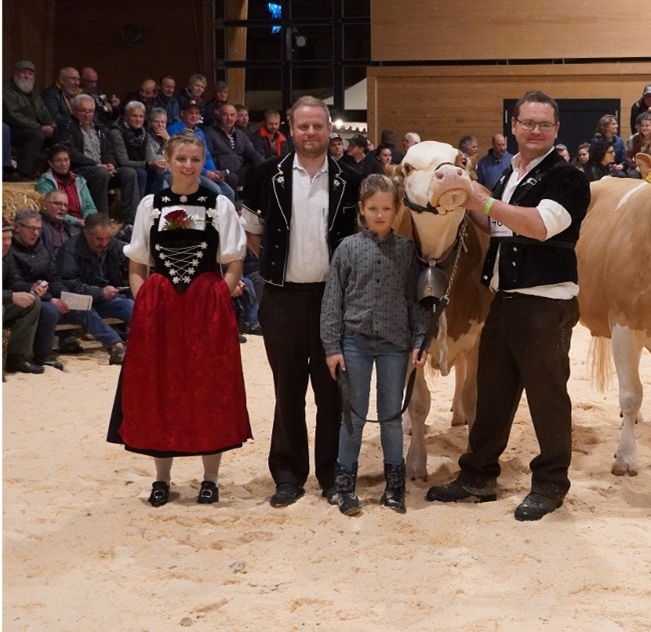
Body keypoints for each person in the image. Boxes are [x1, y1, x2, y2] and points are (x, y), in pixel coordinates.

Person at [426, 90, 591, 521]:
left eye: (544, 124)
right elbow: (496, 223)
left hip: (546, 303)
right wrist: (462, 201)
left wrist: (478, 198)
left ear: (556, 130)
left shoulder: (567, 177)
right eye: (527, 123)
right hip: (503, 298)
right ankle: (478, 475)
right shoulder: (509, 175)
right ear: (513, 126)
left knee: (547, 398)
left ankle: (551, 484)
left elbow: (539, 226)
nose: (535, 131)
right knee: (493, 394)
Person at [106, 132, 251, 507]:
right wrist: (145, 304)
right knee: (161, 389)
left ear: (203, 162)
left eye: (195, 159)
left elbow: (234, 260)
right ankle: (162, 479)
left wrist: (221, 294)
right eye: (182, 159)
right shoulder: (151, 204)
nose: (189, 165)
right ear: (167, 162)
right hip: (161, 309)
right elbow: (137, 262)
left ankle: (210, 479)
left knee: (209, 387)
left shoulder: (218, 203)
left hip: (205, 308)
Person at [241, 95, 362, 508]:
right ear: (290, 130)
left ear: (330, 130)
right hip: (283, 299)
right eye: (303, 127)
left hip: (335, 301)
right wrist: (280, 266)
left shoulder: (353, 179)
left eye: (318, 126)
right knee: (287, 389)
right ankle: (288, 476)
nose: (311, 133)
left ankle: (330, 475)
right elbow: (253, 232)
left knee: (332, 393)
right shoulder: (263, 175)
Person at [321, 174, 429, 516]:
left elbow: (416, 301)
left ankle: (394, 488)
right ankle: (345, 487)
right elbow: (332, 300)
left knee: (391, 417)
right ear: (361, 210)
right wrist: (331, 346)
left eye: (386, 208)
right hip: (354, 342)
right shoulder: (347, 249)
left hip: (394, 344)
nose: (379, 214)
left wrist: (420, 339)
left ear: (396, 211)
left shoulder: (408, 251)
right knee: (352, 415)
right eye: (372, 208)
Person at [5, 207, 125, 366]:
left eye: (39, 229)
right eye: (31, 229)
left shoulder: (41, 247)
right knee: (49, 309)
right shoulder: (9, 251)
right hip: (25, 298)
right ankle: (43, 355)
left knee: (81, 304)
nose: (36, 233)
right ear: (17, 228)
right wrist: (51, 298)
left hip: (46, 294)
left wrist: (65, 296)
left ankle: (116, 344)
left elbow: (54, 277)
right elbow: (15, 282)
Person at [58, 211, 134, 329]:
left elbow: (132, 257)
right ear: (86, 233)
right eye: (99, 239)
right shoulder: (69, 251)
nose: (104, 243)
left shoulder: (112, 244)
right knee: (128, 306)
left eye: (107, 238)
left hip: (111, 296)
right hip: (86, 302)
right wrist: (100, 293)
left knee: (141, 304)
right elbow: (70, 285)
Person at [2, 219, 45, 376]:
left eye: (9, 238)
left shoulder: (7, 254)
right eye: (2, 239)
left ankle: (17, 357)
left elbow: (14, 280)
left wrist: (31, 288)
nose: (7, 243)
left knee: (33, 302)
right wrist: (11, 296)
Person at [3, 60, 55, 180]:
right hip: (14, 130)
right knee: (36, 135)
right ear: (16, 73)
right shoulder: (6, 92)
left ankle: (54, 173)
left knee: (59, 133)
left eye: (30, 74)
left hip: (34, 129)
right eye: (23, 73)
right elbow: (13, 115)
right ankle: (23, 173)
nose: (27, 76)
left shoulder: (35, 95)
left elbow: (44, 112)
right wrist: (40, 127)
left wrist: (51, 124)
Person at [109, 101, 167, 198]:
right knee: (141, 173)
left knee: (158, 173)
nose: (138, 119)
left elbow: (149, 158)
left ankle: (155, 206)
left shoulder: (145, 133)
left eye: (141, 116)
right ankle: (138, 208)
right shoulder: (117, 133)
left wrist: (156, 164)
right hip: (121, 170)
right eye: (134, 116)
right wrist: (147, 164)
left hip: (141, 167)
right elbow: (123, 161)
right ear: (126, 117)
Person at [37, 148, 98, 227]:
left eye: (66, 160)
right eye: (58, 161)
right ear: (50, 163)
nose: (63, 164)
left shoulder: (79, 180)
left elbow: (90, 206)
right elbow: (48, 209)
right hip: (60, 223)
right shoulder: (46, 181)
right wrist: (75, 221)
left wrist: (86, 220)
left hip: (83, 223)